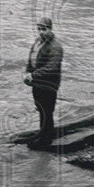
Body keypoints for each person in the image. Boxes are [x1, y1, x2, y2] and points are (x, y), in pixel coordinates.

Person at [23, 16, 63, 148]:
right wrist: (27, 72)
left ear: (50, 29)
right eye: (39, 29)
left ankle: (45, 139)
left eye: (44, 29)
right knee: (40, 108)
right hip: (37, 83)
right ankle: (45, 133)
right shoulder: (37, 42)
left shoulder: (56, 46)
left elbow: (53, 67)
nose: (41, 32)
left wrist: (33, 75)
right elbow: (31, 58)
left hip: (49, 84)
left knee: (47, 110)